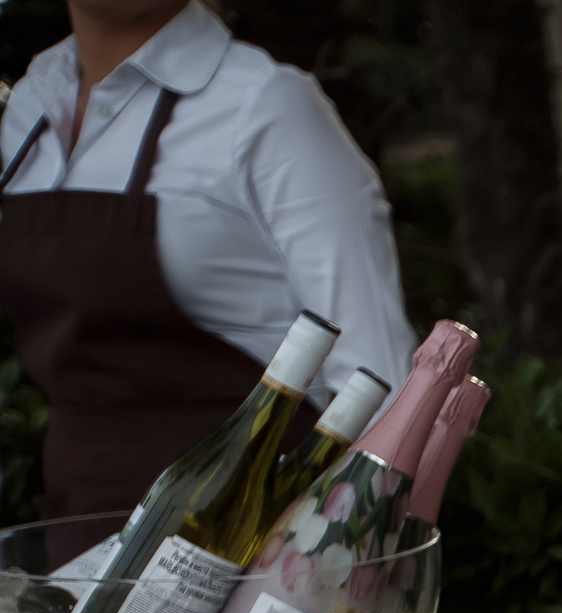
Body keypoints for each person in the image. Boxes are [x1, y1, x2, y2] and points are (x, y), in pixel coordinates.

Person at [0, 0, 413, 519]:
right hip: (77, 539)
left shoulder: (265, 106)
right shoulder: (30, 109)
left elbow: (382, 394)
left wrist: (310, 573)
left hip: (242, 552)